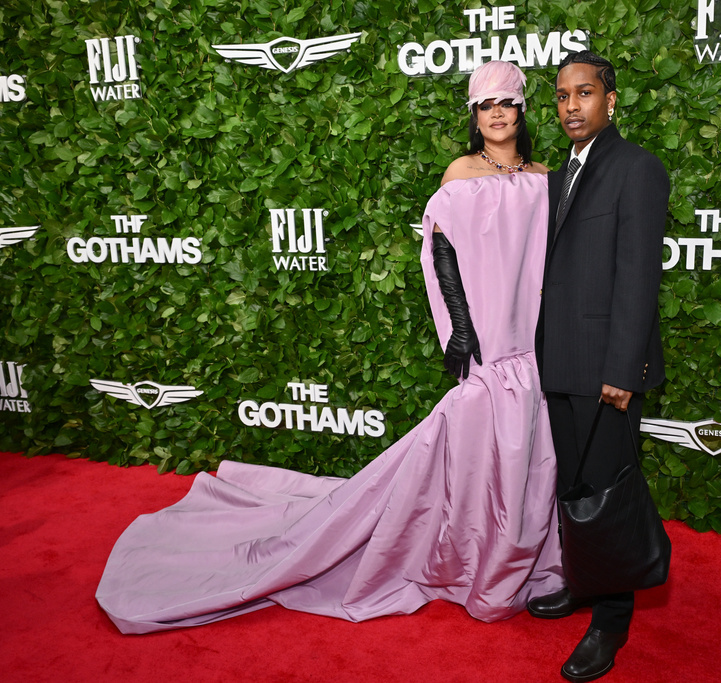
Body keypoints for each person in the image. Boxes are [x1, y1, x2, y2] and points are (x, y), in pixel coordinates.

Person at [96, 61, 563, 634]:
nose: (496, 112)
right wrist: (461, 329)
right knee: (480, 449)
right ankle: (471, 556)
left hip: (535, 342)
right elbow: (444, 256)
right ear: (473, 113)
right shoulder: (460, 173)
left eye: (506, 102)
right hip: (491, 341)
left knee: (530, 453)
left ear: (521, 109)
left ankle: (522, 555)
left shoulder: (546, 175)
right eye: (484, 103)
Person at [530, 51, 670, 682]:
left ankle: (611, 623)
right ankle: (584, 584)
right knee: (575, 487)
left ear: (610, 99)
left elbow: (638, 278)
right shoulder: (566, 171)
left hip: (606, 369)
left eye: (583, 93)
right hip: (561, 360)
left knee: (607, 493)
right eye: (561, 96)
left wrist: (622, 367)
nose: (570, 106)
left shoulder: (636, 167)